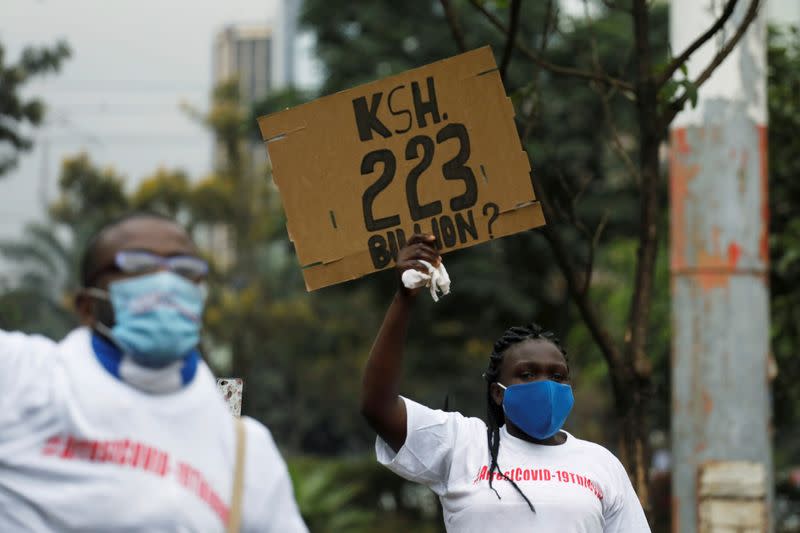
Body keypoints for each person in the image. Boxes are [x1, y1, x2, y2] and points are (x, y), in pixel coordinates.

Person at [0, 212, 307, 532]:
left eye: (186, 270)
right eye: (138, 266)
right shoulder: (19, 376)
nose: (166, 282)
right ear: (87, 307)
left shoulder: (247, 450)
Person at [361, 234, 651, 532]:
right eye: (527, 374)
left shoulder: (600, 464)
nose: (546, 385)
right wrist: (403, 299)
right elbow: (377, 407)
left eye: (557, 376)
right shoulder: (463, 445)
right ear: (498, 393)